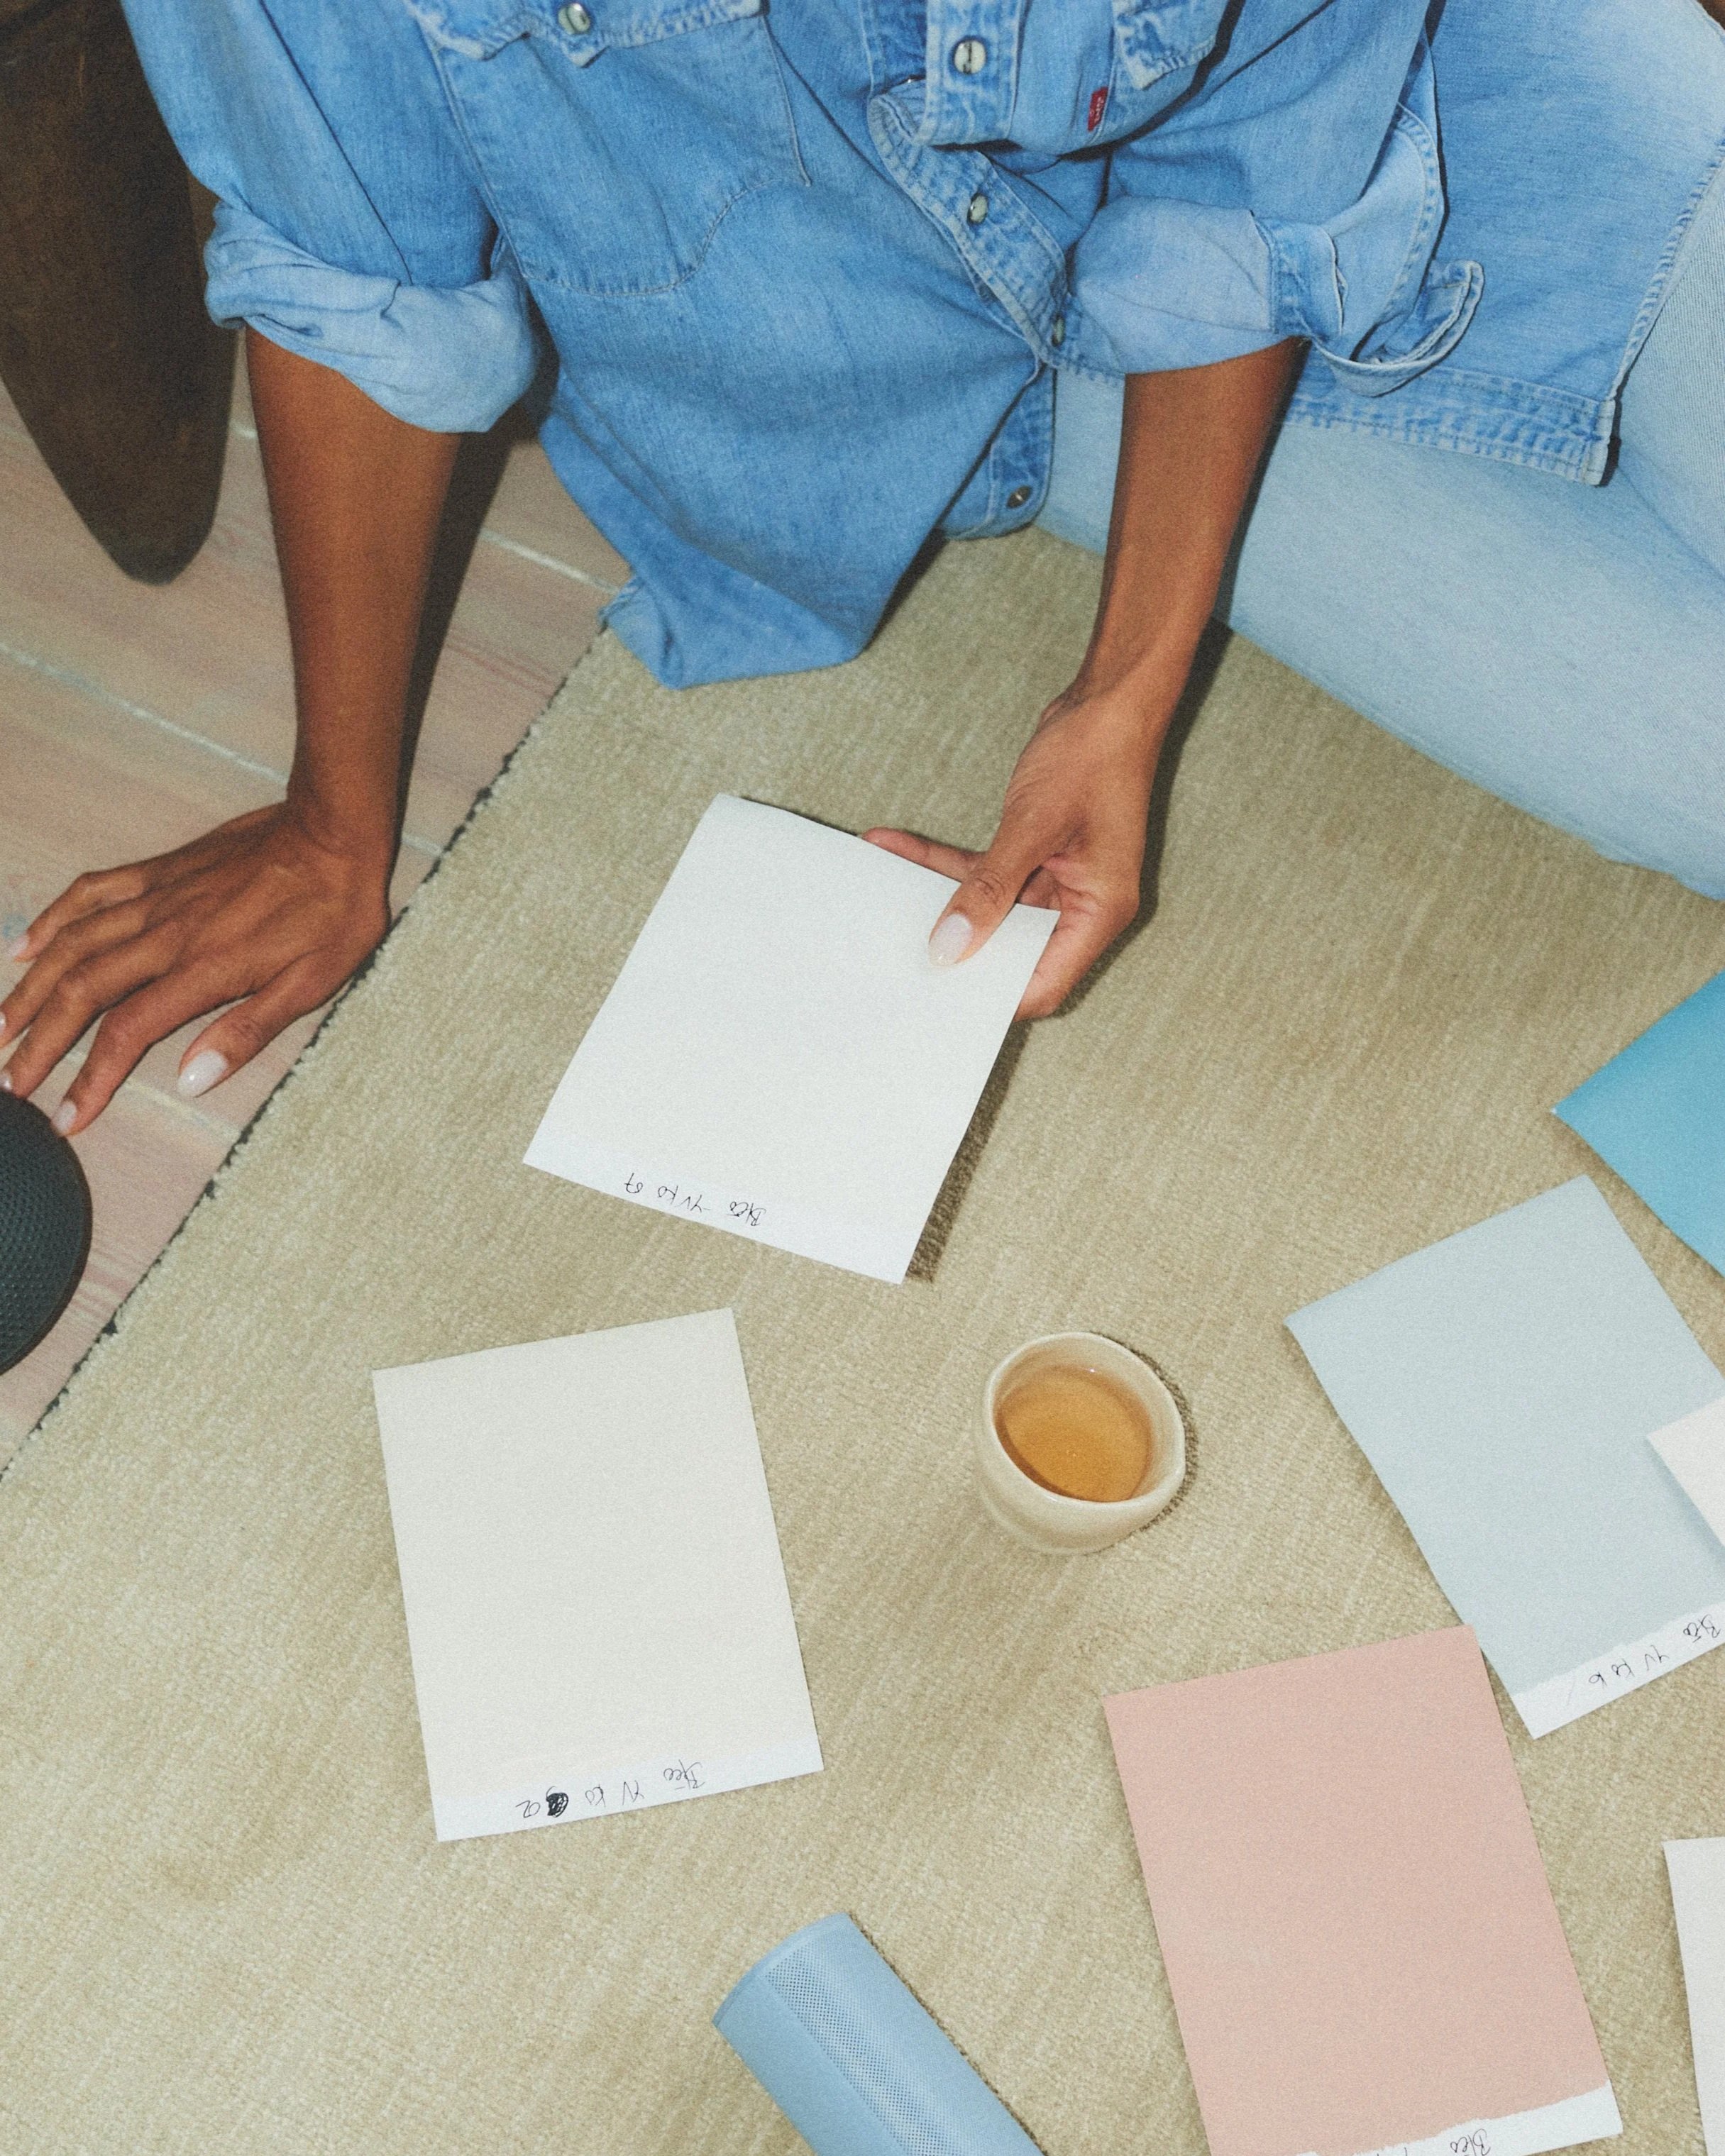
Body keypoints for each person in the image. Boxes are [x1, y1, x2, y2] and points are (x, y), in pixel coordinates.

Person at [3, 0, 1722, 1134]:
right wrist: (331, 821)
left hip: (1482, 96)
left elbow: (1262, 150)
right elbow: (351, 270)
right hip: (1029, 371)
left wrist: (1128, 685)